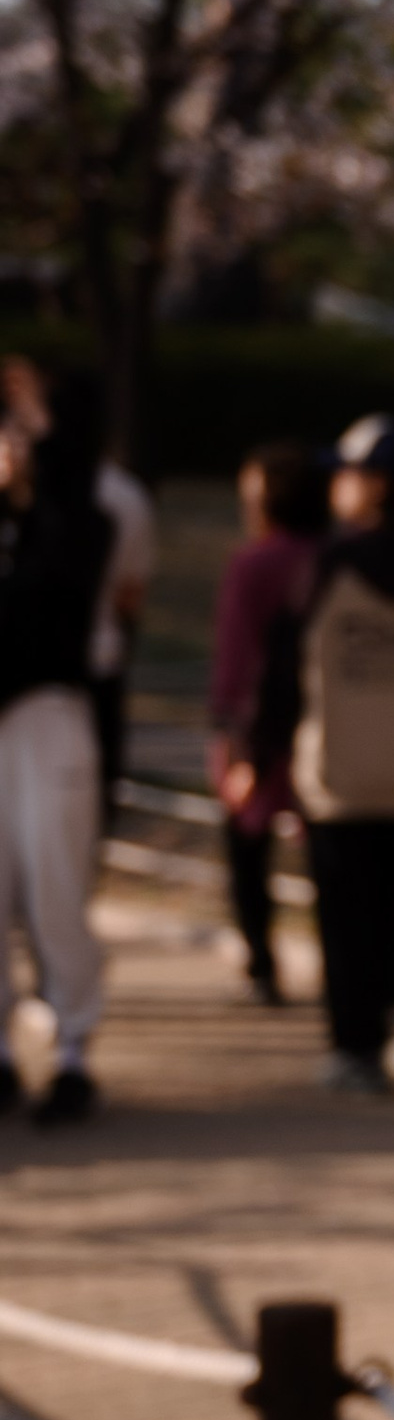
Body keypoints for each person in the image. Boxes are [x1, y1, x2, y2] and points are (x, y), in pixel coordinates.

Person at [250, 417, 394, 1090]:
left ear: (378, 486)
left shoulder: (333, 564)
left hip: (341, 776)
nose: (336, 486)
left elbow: (288, 667)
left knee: (347, 923)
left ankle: (357, 1046)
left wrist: (264, 752)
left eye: (347, 473)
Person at [0, 376, 114, 1123]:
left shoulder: (82, 519)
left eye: (23, 430)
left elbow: (61, 582)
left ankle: (73, 1049)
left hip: (50, 714)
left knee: (55, 888)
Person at [0, 359, 154, 806]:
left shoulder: (96, 505)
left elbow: (123, 595)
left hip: (66, 688)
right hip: (81, 673)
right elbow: (131, 597)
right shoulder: (116, 496)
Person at [209, 441, 327, 1003]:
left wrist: (234, 741)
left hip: (259, 731)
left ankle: (261, 963)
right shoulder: (334, 555)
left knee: (248, 852)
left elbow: (237, 660)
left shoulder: (254, 564)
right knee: (328, 856)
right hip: (326, 729)